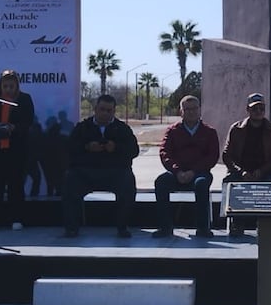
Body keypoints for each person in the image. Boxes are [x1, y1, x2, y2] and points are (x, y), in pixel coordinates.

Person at [61, 94, 139, 238]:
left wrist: (115, 148)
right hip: (86, 173)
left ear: (114, 111)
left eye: (109, 111)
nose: (105, 113)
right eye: (102, 109)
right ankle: (71, 227)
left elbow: (134, 151)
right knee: (70, 179)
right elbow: (69, 148)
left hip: (115, 173)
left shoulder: (122, 129)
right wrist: (87, 147)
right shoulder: (83, 127)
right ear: (95, 109)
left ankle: (123, 227)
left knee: (128, 180)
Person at [152, 95, 220, 238]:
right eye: (187, 109)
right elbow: (165, 153)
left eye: (194, 108)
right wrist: (177, 171)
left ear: (200, 110)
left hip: (200, 173)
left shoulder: (209, 132)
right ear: (181, 112)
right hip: (177, 173)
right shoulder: (172, 131)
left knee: (201, 184)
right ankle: (165, 227)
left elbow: (212, 156)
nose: (191, 112)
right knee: (161, 182)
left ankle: (202, 228)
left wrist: (193, 171)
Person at [221, 92, 271, 237]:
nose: (258, 112)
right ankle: (237, 223)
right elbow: (227, 155)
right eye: (254, 109)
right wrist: (240, 171)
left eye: (261, 109)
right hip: (241, 173)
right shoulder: (236, 129)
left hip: (266, 173)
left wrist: (262, 171)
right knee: (231, 182)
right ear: (247, 109)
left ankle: (266, 225)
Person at [0, 70, 35, 232]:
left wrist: (15, 127)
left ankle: (17, 218)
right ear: (0, 86)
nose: (8, 89)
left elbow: (28, 121)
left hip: (16, 148)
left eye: (12, 86)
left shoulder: (24, 99)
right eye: (5, 86)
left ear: (17, 86)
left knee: (15, 184)